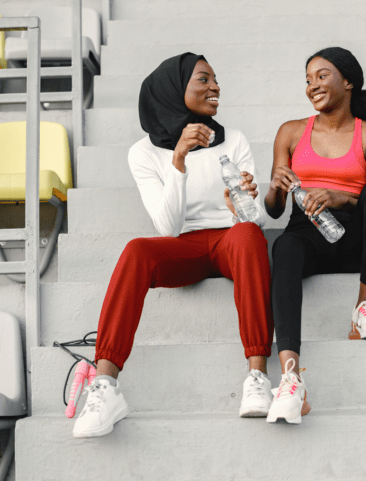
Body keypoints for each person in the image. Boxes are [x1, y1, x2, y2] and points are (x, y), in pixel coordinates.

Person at [73, 53, 274, 438]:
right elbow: (168, 227)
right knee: (136, 250)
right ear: (174, 90)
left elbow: (256, 224)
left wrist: (241, 209)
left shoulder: (233, 140)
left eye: (216, 79)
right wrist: (179, 160)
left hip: (233, 239)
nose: (215, 87)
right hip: (183, 247)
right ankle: (105, 386)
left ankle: (257, 377)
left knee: (249, 235)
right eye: (203, 79)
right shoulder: (144, 153)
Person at [264, 47, 366, 424]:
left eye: (322, 76)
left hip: (355, 236)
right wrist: (274, 185)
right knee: (284, 246)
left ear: (348, 81)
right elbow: (274, 209)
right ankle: (291, 378)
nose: (312, 85)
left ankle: (363, 309)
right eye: (308, 79)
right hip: (307, 233)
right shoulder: (291, 132)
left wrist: (341, 196)